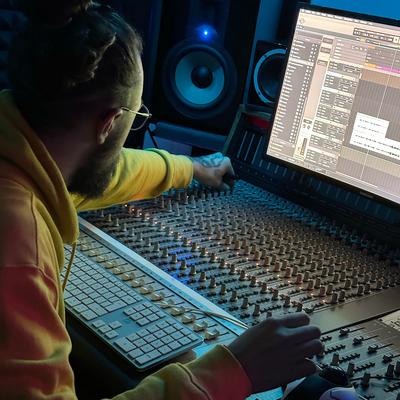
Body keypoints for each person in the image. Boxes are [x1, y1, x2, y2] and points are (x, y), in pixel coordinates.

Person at [0, 1, 323, 399]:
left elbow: (104, 172)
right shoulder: (19, 243)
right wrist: (232, 372)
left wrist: (190, 168)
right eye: (135, 118)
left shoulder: (19, 149)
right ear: (109, 123)